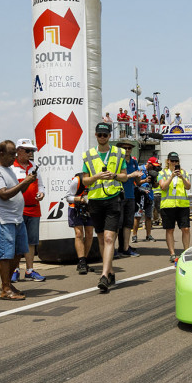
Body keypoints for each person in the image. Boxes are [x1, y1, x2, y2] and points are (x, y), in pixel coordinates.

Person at [0, 140, 36, 301]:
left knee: (19, 251)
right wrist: (25, 183)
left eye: (15, 153)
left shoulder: (8, 169)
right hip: (4, 219)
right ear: (0, 154)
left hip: (16, 218)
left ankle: (6, 282)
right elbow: (4, 194)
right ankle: (6, 288)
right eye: (11, 153)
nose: (14, 156)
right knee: (5, 255)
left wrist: (27, 182)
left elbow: (17, 190)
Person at [80, 122, 129, 293]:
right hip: (95, 200)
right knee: (101, 238)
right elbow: (84, 180)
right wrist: (96, 177)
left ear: (109, 136)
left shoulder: (118, 153)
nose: (102, 137)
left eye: (105, 135)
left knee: (109, 238)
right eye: (99, 135)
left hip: (113, 198)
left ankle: (104, 276)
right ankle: (111, 271)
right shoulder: (88, 155)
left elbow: (124, 177)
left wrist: (114, 175)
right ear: (96, 136)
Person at [11, 139, 46, 282]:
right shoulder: (11, 168)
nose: (30, 153)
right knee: (17, 241)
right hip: (17, 210)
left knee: (31, 242)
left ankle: (30, 270)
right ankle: (15, 270)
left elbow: (41, 186)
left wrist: (41, 193)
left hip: (34, 209)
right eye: (27, 150)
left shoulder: (34, 167)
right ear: (18, 151)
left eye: (32, 151)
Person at [158, 151, 191, 264]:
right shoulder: (162, 173)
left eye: (176, 161)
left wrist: (181, 178)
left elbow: (188, 186)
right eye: (172, 161)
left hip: (182, 205)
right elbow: (163, 186)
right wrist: (171, 176)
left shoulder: (184, 173)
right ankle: (172, 253)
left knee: (185, 229)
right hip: (168, 205)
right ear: (168, 161)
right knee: (170, 229)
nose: (174, 163)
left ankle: (186, 251)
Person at [63, 169, 95, 274]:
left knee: (90, 233)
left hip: (89, 208)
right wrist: (79, 199)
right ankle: (81, 261)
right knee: (79, 233)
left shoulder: (97, 180)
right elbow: (68, 197)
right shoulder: (77, 180)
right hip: (76, 208)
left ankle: (84, 261)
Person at [116, 140, 143, 257]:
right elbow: (117, 177)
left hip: (130, 195)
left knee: (128, 223)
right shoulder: (117, 161)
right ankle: (114, 249)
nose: (127, 150)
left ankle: (125, 248)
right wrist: (131, 175)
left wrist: (139, 177)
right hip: (119, 196)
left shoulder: (133, 162)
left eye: (129, 148)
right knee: (117, 224)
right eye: (124, 148)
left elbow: (137, 182)